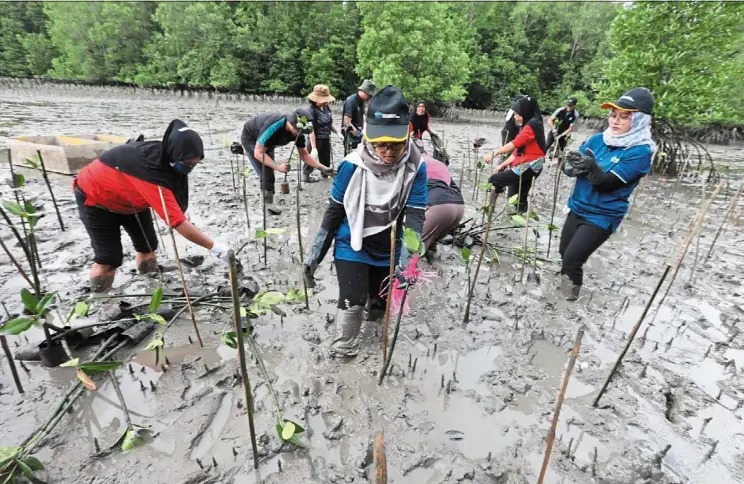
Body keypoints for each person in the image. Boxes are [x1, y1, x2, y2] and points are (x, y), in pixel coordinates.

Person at [303, 85, 428, 358]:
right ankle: (343, 353)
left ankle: (373, 346)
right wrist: (315, 256)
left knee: (380, 305)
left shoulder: (416, 167)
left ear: (407, 136)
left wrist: (409, 260)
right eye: (381, 143)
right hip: (353, 243)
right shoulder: (351, 165)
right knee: (353, 303)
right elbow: (334, 213)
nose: (388, 152)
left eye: (395, 144)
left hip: (388, 247)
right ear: (368, 137)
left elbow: (415, 216)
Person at [73, 119, 230, 292]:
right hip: (96, 198)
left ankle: (150, 284)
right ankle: (101, 300)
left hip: (131, 198)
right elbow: (177, 222)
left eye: (195, 164)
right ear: (175, 155)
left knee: (147, 245)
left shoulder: (167, 157)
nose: (190, 168)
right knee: (109, 259)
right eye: (187, 163)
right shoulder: (151, 174)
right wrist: (214, 247)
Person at [559, 87, 655, 301]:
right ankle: (561, 292)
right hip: (577, 206)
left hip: (602, 215)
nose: (615, 121)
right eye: (613, 115)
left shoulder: (640, 152)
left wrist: (591, 168)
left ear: (639, 120)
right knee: (563, 252)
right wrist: (569, 167)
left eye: (624, 117)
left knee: (573, 259)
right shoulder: (597, 140)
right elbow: (569, 164)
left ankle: (570, 299)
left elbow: (605, 184)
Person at [241, 107, 332, 210]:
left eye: (303, 132)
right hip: (251, 138)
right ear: (290, 122)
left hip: (268, 143)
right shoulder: (273, 125)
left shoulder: (299, 132)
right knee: (266, 171)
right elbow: (258, 153)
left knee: (268, 167)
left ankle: (269, 201)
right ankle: (268, 205)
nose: (300, 134)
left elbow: (304, 155)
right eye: (298, 131)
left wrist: (323, 168)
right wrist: (277, 166)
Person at [483, 95, 547, 214]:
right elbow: (517, 151)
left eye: (517, 114)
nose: (515, 116)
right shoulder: (532, 124)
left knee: (495, 179)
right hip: (533, 166)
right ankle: (517, 224)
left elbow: (514, 144)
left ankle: (488, 211)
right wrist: (503, 164)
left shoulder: (531, 126)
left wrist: (494, 153)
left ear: (525, 112)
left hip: (529, 166)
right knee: (518, 196)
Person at [413, 139, 464, 253]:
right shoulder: (438, 163)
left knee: (412, 252)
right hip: (458, 206)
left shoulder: (411, 162)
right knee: (429, 243)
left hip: (436, 207)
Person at [304, 84, 343, 182]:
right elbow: (310, 130)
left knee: (326, 158)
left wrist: (337, 132)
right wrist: (313, 147)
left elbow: (329, 123)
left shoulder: (326, 108)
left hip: (326, 137)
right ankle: (306, 176)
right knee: (311, 157)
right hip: (315, 137)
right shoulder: (311, 111)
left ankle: (325, 173)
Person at [342, 79, 376, 154]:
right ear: (364, 91)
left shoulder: (361, 102)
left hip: (359, 136)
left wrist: (365, 131)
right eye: (369, 95)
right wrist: (358, 134)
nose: (369, 98)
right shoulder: (351, 101)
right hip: (351, 138)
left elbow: (363, 117)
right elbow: (347, 123)